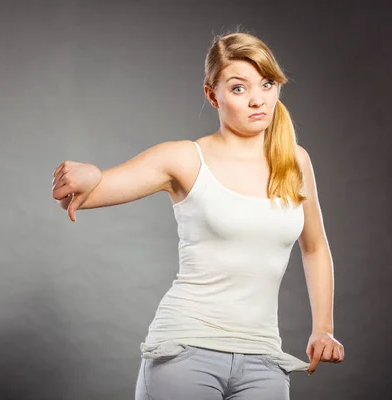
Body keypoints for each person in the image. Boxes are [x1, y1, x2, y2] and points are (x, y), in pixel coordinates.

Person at [51, 31, 344, 400]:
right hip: (186, 351)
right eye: (239, 88)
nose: (258, 99)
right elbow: (78, 195)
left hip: (264, 360)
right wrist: (90, 176)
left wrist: (323, 328)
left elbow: (315, 247)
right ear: (212, 94)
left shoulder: (295, 161)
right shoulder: (186, 159)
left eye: (267, 84)